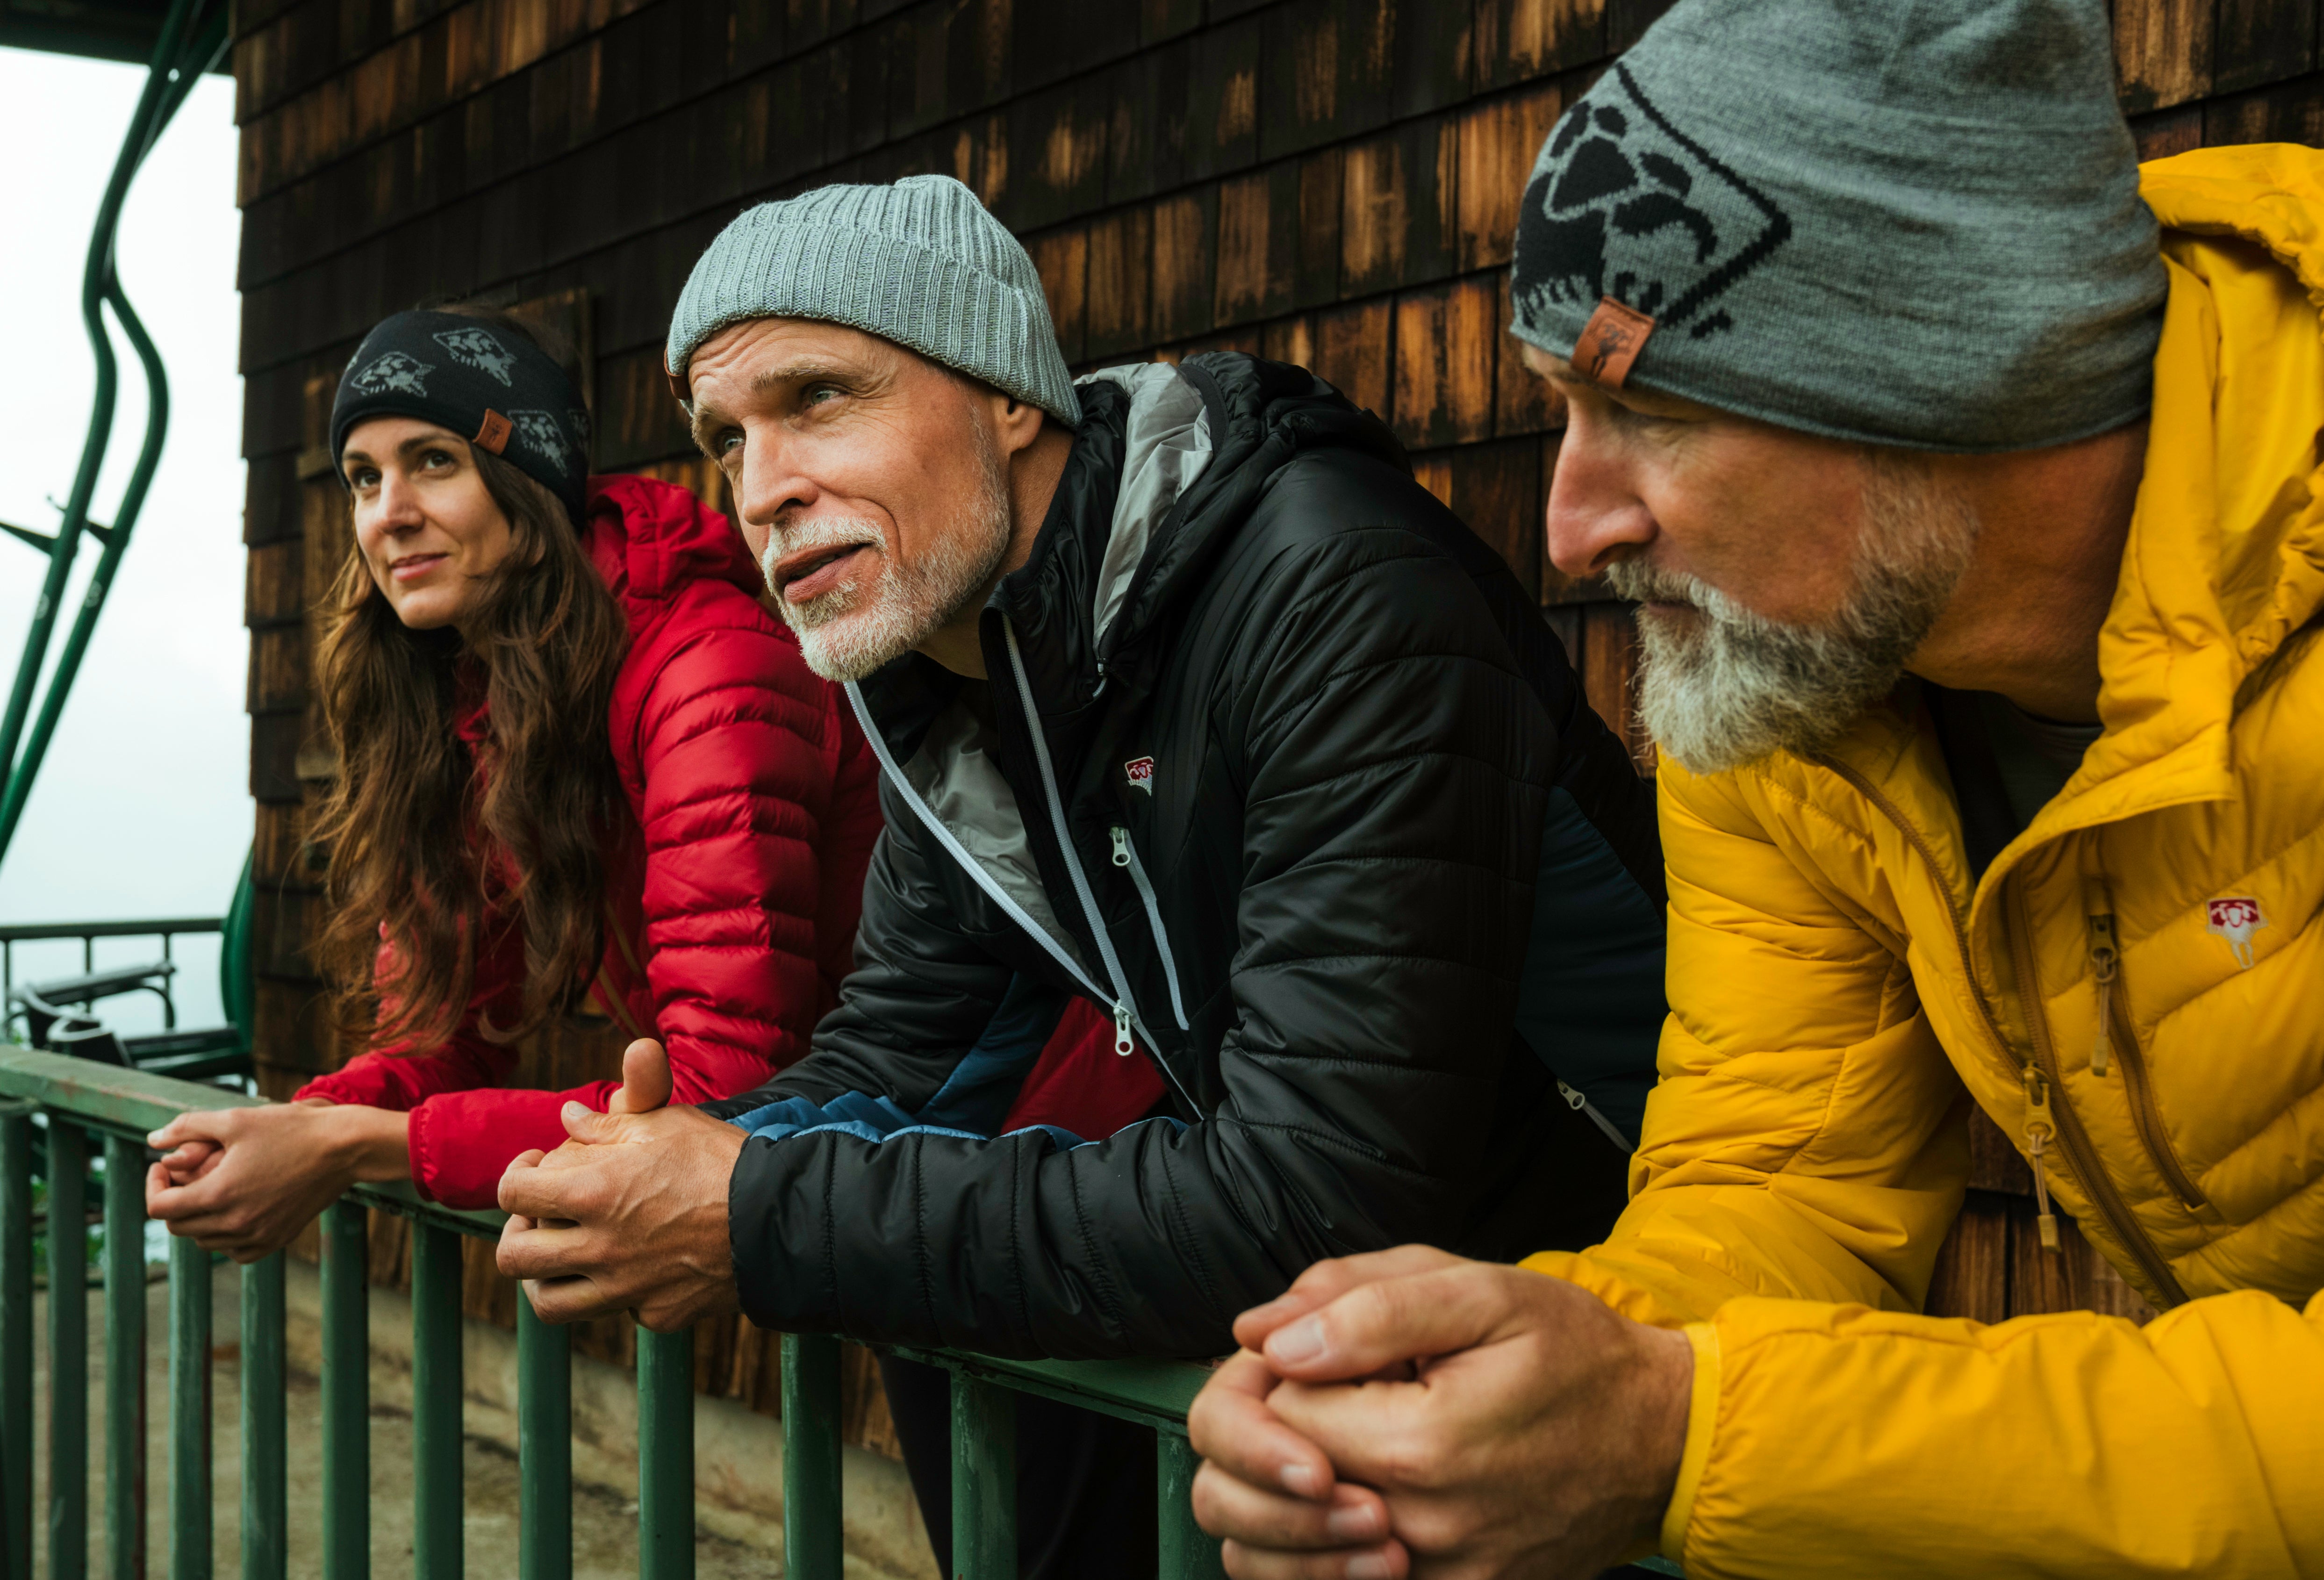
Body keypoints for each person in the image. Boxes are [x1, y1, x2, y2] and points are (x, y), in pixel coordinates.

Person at [1187, 1, 2324, 1576]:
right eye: (1562, 412)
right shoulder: (1794, 675)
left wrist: (1688, 1433)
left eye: (1649, 414)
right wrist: (1487, 1380)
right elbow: (1776, 1176)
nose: (1572, 524)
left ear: (1950, 386)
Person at [488, 175, 1668, 1575]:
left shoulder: (1330, 585)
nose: (760, 488)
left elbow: (1316, 1188)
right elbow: (904, 1055)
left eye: (819, 398)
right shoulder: (941, 657)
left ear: (1005, 393)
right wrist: (671, 1162)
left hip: (1617, 1315)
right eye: (725, 438)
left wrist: (754, 1210)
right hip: (1353, 1370)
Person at [142, 304, 886, 1249]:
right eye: (363, 478)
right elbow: (439, 1032)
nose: (388, 513)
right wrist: (304, 1123)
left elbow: (722, 1091)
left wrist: (353, 1147)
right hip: (834, 1186)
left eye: (434, 461)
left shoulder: (707, 671)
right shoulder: (472, 700)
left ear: (530, 485)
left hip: (963, 1146)